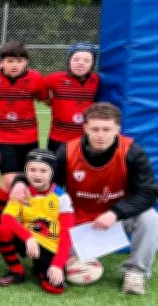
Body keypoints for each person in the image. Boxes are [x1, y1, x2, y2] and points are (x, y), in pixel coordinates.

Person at [9, 102, 158, 295]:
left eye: (107, 129)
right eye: (95, 129)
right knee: (62, 270)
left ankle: (136, 271)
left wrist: (115, 212)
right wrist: (20, 181)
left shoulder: (132, 152)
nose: (100, 135)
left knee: (150, 217)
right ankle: (79, 255)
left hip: (113, 219)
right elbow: (45, 175)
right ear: (85, 127)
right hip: (76, 222)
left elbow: (147, 193)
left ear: (117, 129)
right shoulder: (68, 151)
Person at [0, 41, 47, 231]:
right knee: (9, 181)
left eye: (19, 60)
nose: (14, 65)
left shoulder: (36, 78)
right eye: (10, 60)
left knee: (27, 180)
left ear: (26, 62)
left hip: (29, 138)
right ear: (1, 62)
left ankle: (24, 224)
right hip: (2, 138)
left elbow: (45, 97)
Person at [0, 149, 74, 294]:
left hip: (50, 245)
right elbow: (6, 218)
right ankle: (16, 271)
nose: (37, 175)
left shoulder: (62, 197)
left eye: (43, 170)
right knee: (0, 231)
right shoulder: (22, 191)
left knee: (53, 288)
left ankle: (44, 267)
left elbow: (67, 234)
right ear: (25, 170)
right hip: (29, 240)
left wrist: (57, 264)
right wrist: (28, 238)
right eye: (32, 169)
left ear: (52, 173)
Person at [44, 42, 99, 153]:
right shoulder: (54, 79)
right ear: (69, 60)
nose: (80, 63)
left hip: (87, 139)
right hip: (58, 139)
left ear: (93, 63)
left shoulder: (97, 80)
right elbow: (32, 84)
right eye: (76, 59)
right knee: (56, 169)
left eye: (87, 60)